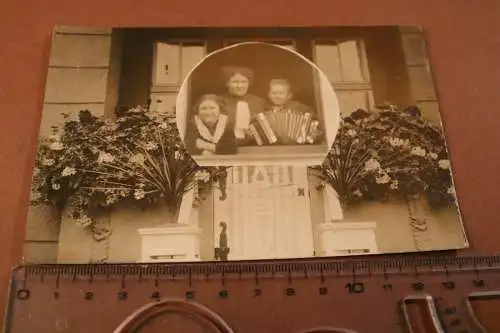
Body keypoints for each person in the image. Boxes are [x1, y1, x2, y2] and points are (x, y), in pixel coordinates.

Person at [219, 66, 266, 146]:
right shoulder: (219, 102)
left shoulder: (258, 102)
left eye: (244, 82)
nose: (240, 86)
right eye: (235, 82)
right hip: (226, 145)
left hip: (254, 146)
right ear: (227, 83)